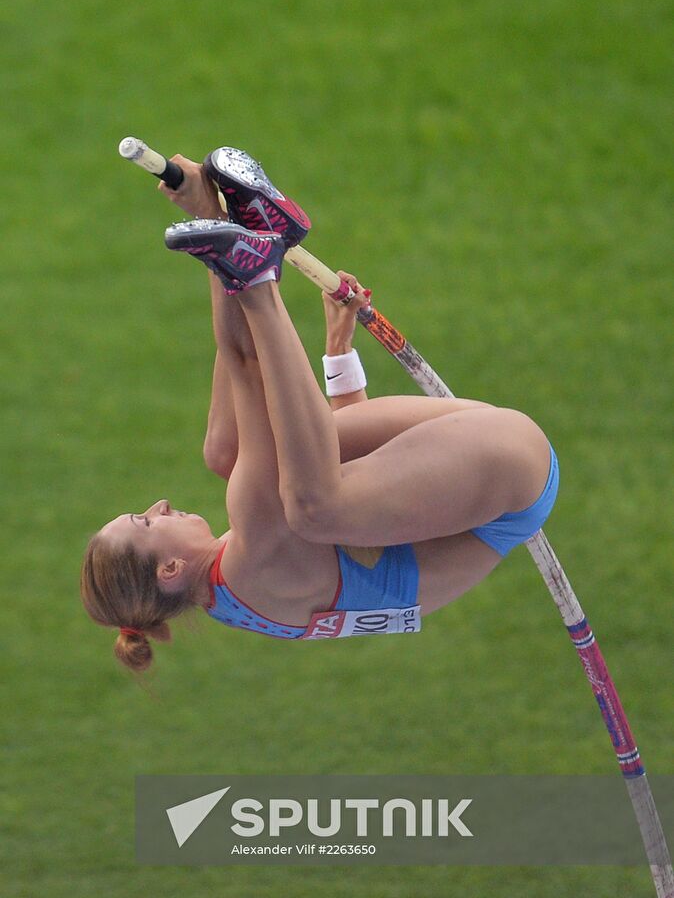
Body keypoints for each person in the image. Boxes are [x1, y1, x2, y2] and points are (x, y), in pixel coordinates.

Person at [81, 151, 559, 672]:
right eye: (145, 522)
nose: (159, 504)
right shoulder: (252, 562)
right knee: (306, 504)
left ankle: (252, 245)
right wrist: (232, 259)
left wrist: (339, 355)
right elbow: (245, 364)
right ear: (170, 568)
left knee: (231, 452)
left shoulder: (238, 588)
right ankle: (259, 267)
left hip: (472, 465)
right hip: (509, 472)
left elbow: (375, 493)